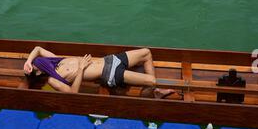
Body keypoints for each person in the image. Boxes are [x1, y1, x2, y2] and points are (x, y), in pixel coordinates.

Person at [23, 45, 175, 98]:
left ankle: (153, 91)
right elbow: (72, 92)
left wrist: (28, 61)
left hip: (109, 60)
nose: (36, 62)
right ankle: (150, 95)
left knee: (146, 52)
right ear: (38, 73)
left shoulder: (55, 60)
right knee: (152, 81)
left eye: (35, 62)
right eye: (35, 66)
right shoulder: (53, 79)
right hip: (109, 73)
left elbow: (37, 49)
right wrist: (81, 68)